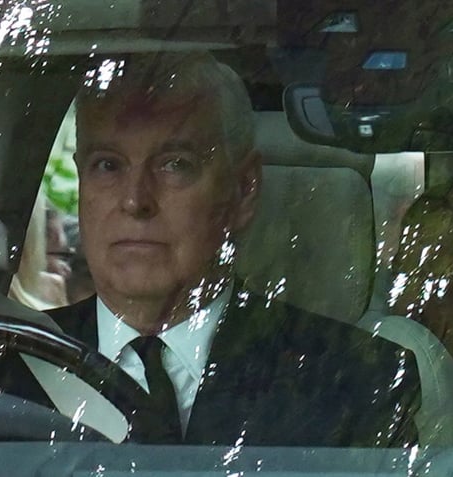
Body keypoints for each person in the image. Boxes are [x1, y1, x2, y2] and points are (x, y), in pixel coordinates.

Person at [44, 51, 422, 446]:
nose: (135, 201)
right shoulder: (1, 367)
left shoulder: (356, 381)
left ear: (243, 192)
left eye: (175, 164)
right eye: (108, 166)